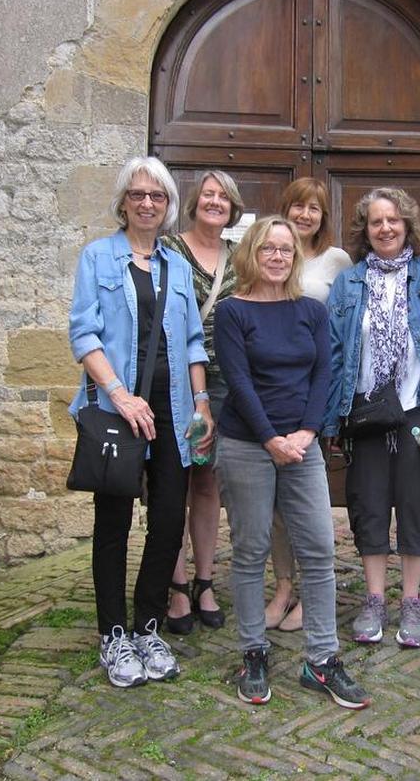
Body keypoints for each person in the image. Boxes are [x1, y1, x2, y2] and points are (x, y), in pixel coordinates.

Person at [213, 216, 370, 709]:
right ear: (251, 255)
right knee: (250, 550)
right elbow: (237, 381)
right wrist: (270, 438)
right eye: (268, 249)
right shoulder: (232, 311)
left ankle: (321, 660)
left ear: (295, 257)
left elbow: (323, 372)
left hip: (302, 447)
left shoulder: (310, 311)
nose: (278, 257)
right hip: (246, 444)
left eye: (285, 250)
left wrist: (306, 431)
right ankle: (253, 652)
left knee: (320, 550)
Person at [68, 156, 213, 687]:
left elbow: (194, 338)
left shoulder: (175, 267)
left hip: (173, 415)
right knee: (113, 526)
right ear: (123, 202)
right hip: (117, 413)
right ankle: (113, 636)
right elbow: (84, 335)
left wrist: (201, 404)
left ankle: (148, 627)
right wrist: (120, 395)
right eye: (138, 195)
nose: (147, 203)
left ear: (168, 205)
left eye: (157, 196)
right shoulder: (98, 258)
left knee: (168, 520)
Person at [323, 187, 420, 649]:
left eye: (393, 220)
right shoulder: (348, 283)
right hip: (366, 408)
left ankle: (411, 599)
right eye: (376, 222)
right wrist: (333, 421)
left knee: (416, 503)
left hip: (416, 405)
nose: (386, 228)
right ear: (365, 231)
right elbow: (336, 353)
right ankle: (374, 598)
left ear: (408, 224)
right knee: (368, 503)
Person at [264, 178, 353, 634]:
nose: (304, 215)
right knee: (276, 505)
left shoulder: (335, 261)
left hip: (313, 393)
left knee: (310, 500)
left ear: (322, 216)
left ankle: (317, 590)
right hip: (270, 393)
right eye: (297, 205)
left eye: (313, 209)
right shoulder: (267, 250)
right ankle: (283, 586)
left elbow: (350, 321)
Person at [161, 171, 243, 632]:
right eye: (209, 195)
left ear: (233, 208)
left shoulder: (238, 256)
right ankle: (175, 585)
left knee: (208, 484)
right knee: (174, 484)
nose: (215, 202)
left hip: (225, 385)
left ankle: (205, 581)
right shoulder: (171, 250)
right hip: (175, 381)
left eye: (224, 197)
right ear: (195, 202)